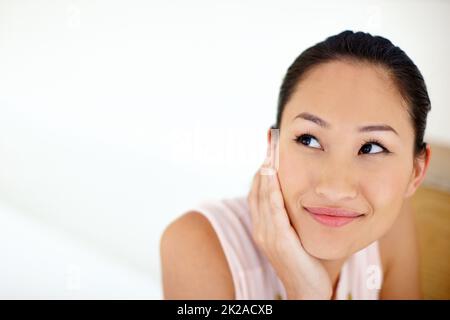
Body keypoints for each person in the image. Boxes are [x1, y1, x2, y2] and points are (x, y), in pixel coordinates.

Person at [160, 30, 432, 299]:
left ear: (415, 172)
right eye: (309, 139)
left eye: (371, 147)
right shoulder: (197, 245)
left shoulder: (391, 226)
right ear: (273, 148)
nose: (334, 188)